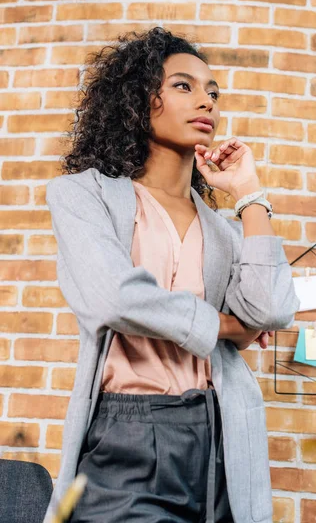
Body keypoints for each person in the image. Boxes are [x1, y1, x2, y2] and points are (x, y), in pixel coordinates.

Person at [43, 26, 300, 523]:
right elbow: (115, 298)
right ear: (140, 100)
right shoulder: (83, 196)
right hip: (128, 433)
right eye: (184, 86)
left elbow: (271, 309)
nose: (206, 101)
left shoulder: (223, 231)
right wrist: (225, 326)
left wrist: (248, 193)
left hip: (223, 432)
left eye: (213, 92)